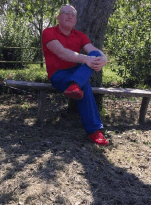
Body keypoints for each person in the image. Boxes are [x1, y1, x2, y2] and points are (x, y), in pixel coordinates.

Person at [42, 4, 109, 145]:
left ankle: (74, 84)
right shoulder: (48, 32)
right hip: (58, 75)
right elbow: (62, 52)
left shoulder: (80, 35)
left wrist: (103, 59)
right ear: (58, 17)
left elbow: (92, 50)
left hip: (76, 72)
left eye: (73, 14)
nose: (70, 16)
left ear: (76, 20)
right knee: (85, 87)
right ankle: (95, 131)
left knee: (95, 54)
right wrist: (87, 59)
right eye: (66, 13)